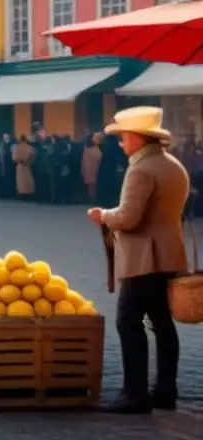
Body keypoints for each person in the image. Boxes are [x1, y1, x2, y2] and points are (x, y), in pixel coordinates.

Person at [87, 107, 189, 414]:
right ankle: (165, 391)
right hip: (168, 253)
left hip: (144, 257)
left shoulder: (141, 169)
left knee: (128, 321)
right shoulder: (172, 165)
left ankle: (135, 393)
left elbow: (129, 218)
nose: (120, 144)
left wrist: (102, 215)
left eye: (122, 138)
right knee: (161, 322)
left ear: (137, 138)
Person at [81, 133, 103, 204]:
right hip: (96, 170)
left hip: (88, 170)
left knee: (90, 186)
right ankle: (94, 199)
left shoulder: (86, 151)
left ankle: (91, 199)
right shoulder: (98, 151)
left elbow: (83, 162)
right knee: (95, 186)